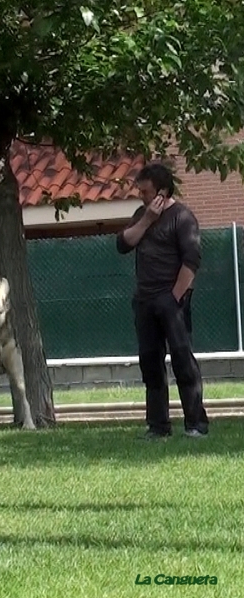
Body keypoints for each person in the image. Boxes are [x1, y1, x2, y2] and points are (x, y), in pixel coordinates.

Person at [116, 162, 209, 439]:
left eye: (145, 192)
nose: (141, 196)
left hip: (172, 301)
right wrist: (147, 219)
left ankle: (196, 424)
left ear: (162, 192)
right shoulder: (140, 215)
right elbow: (123, 244)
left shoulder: (183, 217)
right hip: (144, 302)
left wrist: (174, 297)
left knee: (183, 361)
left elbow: (191, 261)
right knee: (150, 363)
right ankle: (158, 426)